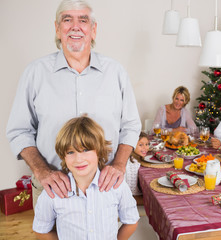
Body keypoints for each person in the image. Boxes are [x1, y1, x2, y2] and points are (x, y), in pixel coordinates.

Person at [6, 0, 141, 207]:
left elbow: (131, 125)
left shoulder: (116, 72)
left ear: (93, 30)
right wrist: (42, 171)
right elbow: (19, 131)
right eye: (67, 19)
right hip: (52, 189)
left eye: (83, 20)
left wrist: (119, 164)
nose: (75, 26)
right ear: (57, 29)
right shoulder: (35, 73)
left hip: (104, 188)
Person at [33, 116, 139, 240]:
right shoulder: (52, 193)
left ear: (98, 151)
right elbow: (41, 230)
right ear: (63, 156)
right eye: (70, 152)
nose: (79, 159)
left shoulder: (117, 186)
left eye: (85, 150)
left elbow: (131, 221)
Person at [125, 132, 150, 197]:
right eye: (141, 145)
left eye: (147, 144)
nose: (145, 148)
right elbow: (131, 194)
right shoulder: (132, 163)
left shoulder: (135, 157)